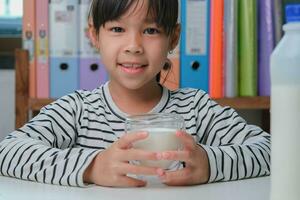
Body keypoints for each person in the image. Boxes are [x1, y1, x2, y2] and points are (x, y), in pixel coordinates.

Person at [0, 0, 270, 187]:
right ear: (94, 35)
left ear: (173, 38)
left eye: (150, 30)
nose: (133, 46)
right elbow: (8, 151)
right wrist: (93, 167)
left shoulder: (196, 108)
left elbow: (269, 150)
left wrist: (209, 164)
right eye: (117, 29)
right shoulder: (77, 109)